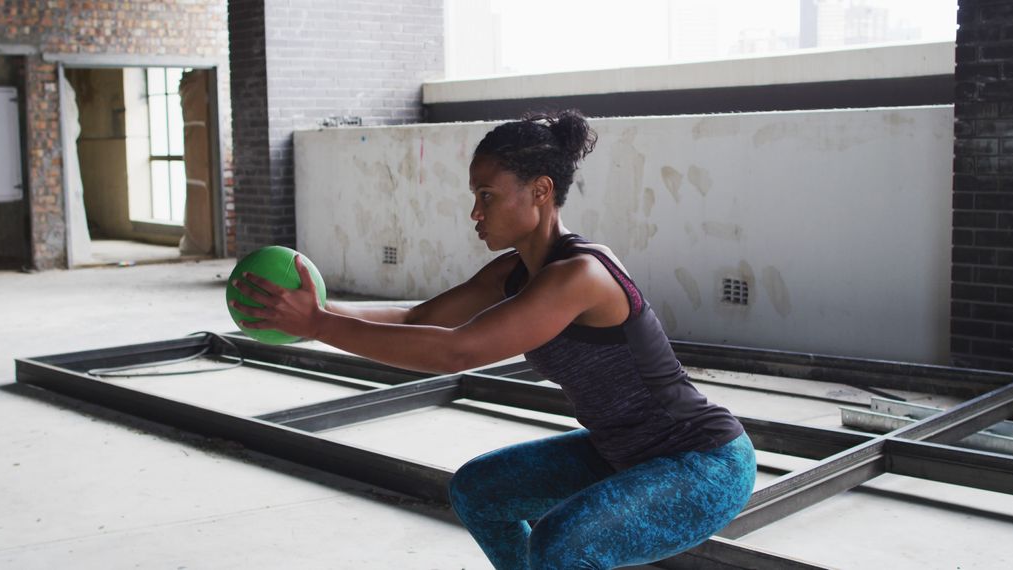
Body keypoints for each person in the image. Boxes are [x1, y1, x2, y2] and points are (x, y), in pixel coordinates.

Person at [229, 110, 756, 569]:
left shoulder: (580, 275)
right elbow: (420, 317)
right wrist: (313, 310)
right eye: (475, 196)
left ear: (541, 191)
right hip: (621, 450)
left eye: (487, 196)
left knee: (561, 544)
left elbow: (457, 349)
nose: (476, 213)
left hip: (701, 463)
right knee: (478, 491)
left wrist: (318, 326)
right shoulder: (514, 271)